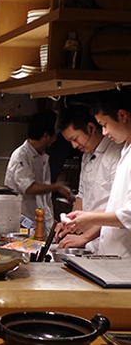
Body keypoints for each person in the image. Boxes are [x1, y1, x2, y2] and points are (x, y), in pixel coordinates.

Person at [62, 89, 131, 257]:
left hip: (123, 254)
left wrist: (90, 219)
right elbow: (117, 207)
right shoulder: (125, 151)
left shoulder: (117, 153)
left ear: (122, 116)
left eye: (104, 125)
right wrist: (83, 216)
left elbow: (128, 214)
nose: (105, 132)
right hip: (110, 252)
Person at [55, 104, 122, 249]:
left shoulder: (116, 154)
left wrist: (85, 237)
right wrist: (69, 223)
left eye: (75, 138)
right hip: (87, 242)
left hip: (109, 241)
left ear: (91, 128)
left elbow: (119, 209)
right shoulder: (87, 154)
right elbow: (82, 195)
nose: (73, 146)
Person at [4, 110, 74, 234]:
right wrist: (57, 187)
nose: (56, 138)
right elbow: (29, 187)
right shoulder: (21, 156)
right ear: (46, 136)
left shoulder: (42, 155)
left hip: (42, 221)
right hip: (24, 222)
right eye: (55, 135)